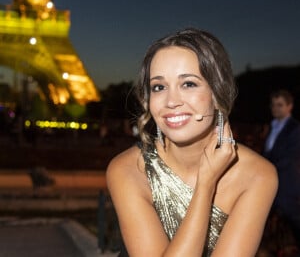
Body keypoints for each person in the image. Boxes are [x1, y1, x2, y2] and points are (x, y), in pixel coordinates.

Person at [106, 28, 278, 256]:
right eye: (159, 87)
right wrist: (205, 186)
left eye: (188, 84)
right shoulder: (128, 170)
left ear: (217, 93)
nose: (171, 101)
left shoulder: (257, 175)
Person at [263, 89, 300, 247]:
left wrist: (264, 167)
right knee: (261, 216)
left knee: (295, 220)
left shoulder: (295, 128)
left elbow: (288, 157)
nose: (275, 108)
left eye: (280, 105)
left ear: (290, 106)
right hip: (270, 181)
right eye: (273, 105)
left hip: (286, 183)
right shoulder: (272, 126)